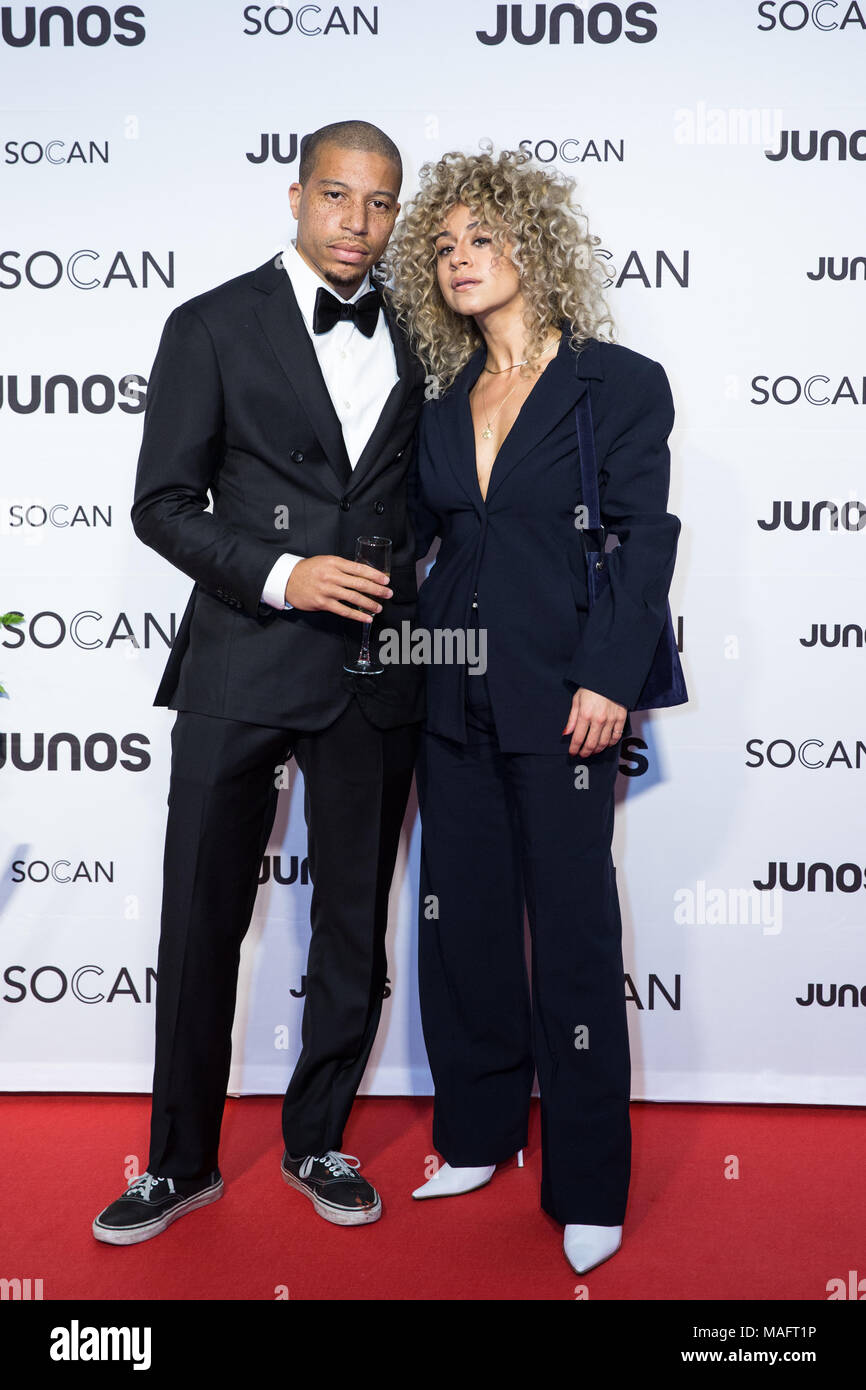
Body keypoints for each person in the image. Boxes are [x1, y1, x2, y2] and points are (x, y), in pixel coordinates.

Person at [92, 120, 426, 1245]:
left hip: (374, 676)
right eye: (336, 196)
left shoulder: (419, 337)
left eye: (380, 204)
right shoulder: (210, 324)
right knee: (198, 922)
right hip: (240, 658)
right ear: (294, 197)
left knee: (349, 925)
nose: (357, 223)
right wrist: (285, 572)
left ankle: (318, 1137)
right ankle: (177, 1160)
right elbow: (160, 504)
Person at [385, 147, 683, 1274]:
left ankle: (589, 1179)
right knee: (459, 922)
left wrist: (609, 675)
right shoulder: (443, 395)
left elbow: (643, 537)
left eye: (481, 238)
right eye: (445, 246)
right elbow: (431, 536)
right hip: (447, 676)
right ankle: (473, 1127)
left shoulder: (619, 380)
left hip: (564, 691)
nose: (462, 260)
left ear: (531, 244)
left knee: (569, 933)